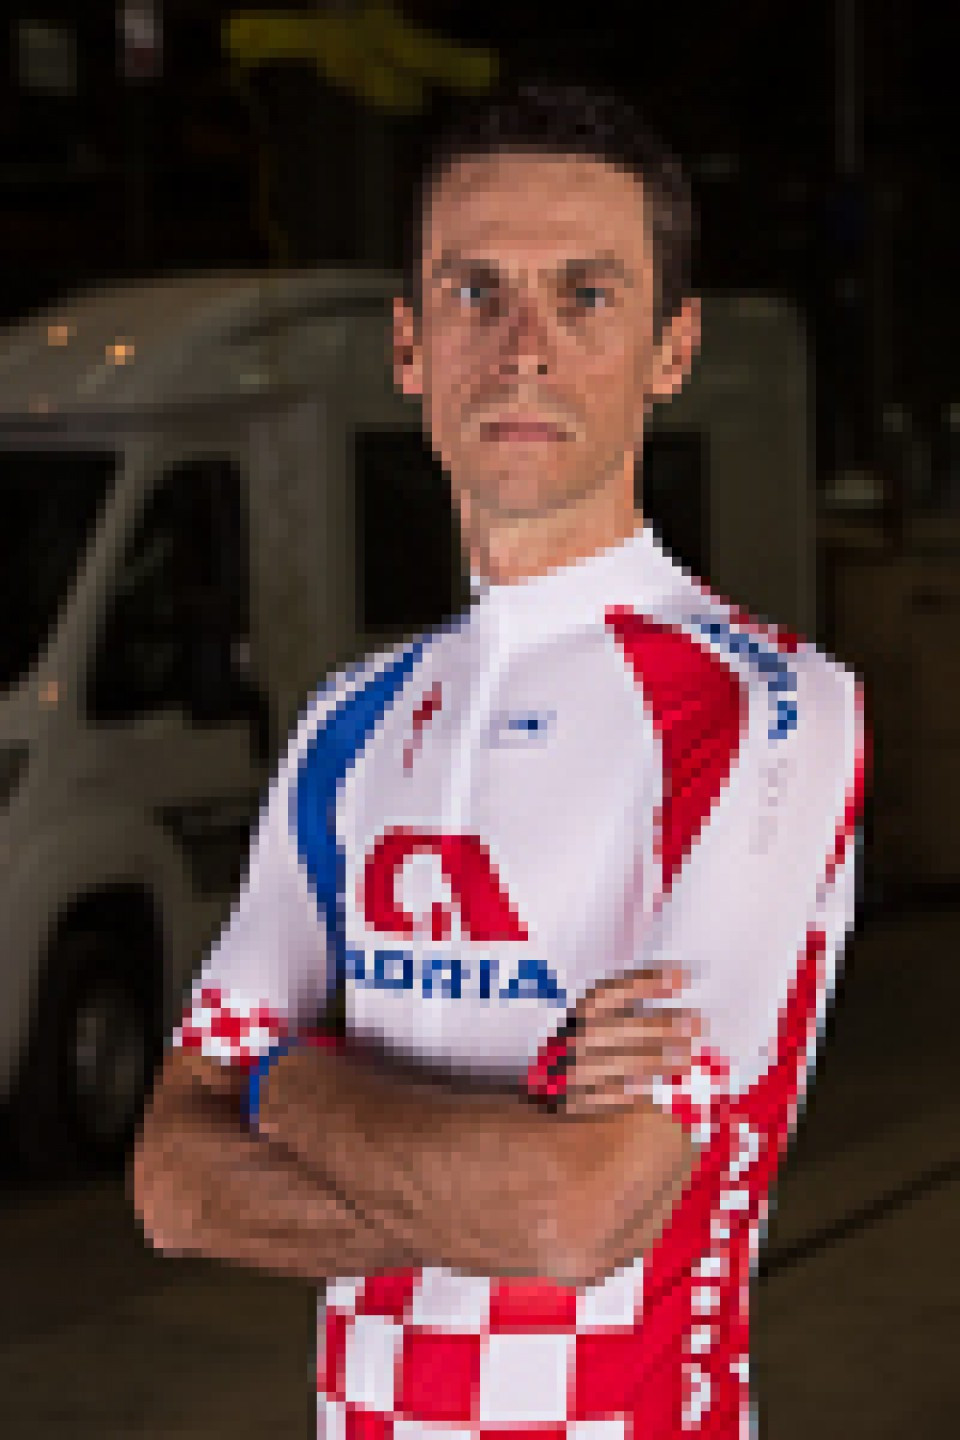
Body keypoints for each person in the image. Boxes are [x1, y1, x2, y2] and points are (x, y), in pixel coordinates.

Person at [133, 77, 868, 1438]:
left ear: (672, 349)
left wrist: (281, 1080)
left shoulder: (768, 711)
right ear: (409, 346)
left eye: (585, 296)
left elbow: (573, 1214)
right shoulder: (348, 720)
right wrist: (490, 1149)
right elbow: (174, 1188)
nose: (523, 348)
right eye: (476, 293)